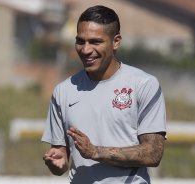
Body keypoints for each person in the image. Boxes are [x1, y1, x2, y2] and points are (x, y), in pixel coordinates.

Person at [42, 5, 167, 184]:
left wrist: (95, 152)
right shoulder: (63, 91)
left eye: (95, 42)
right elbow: (61, 156)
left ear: (116, 41)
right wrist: (57, 162)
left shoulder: (144, 85)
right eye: (80, 41)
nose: (85, 50)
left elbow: (153, 153)